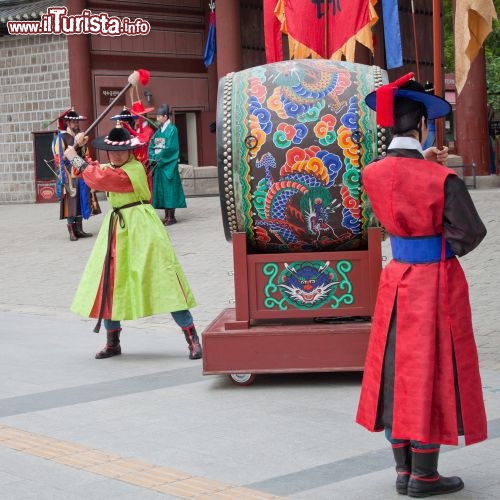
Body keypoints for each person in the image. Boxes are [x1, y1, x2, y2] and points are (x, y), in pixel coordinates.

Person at [356, 73, 487, 498]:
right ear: (422, 127)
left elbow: (396, 190)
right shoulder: (441, 179)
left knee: (394, 367)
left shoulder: (371, 173)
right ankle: (425, 476)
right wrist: (435, 173)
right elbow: (470, 233)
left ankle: (402, 469)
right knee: (431, 368)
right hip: (433, 282)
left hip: (395, 279)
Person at [63, 125, 202, 361]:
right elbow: (87, 170)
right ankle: (113, 342)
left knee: (163, 278)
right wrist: (78, 147)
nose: (116, 155)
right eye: (112, 152)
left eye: (121, 152)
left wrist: (74, 157)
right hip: (116, 228)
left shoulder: (133, 169)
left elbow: (99, 178)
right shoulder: (112, 166)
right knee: (110, 281)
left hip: (141, 227)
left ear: (130, 151)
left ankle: (192, 339)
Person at [52, 108, 101, 241]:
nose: (76, 124)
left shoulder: (80, 136)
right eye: (73, 121)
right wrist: (64, 175)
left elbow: (85, 154)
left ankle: (79, 229)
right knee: (71, 204)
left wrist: (89, 163)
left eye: (77, 121)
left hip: (81, 173)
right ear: (67, 122)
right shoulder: (61, 137)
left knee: (80, 201)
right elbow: (59, 158)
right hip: (69, 174)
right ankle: (71, 231)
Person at [148, 103, 186, 225]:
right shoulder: (159, 131)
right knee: (162, 190)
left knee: (170, 189)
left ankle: (172, 216)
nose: (157, 119)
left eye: (159, 117)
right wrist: (153, 156)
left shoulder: (172, 129)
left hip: (168, 164)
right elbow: (152, 144)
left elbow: (171, 147)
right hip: (159, 165)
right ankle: (166, 215)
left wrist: (159, 156)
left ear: (165, 116)